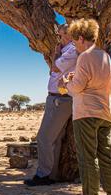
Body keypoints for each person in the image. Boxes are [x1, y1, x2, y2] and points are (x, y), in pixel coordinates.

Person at [62, 18, 111, 195]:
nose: (74, 45)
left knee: (87, 157)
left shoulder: (85, 57)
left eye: (74, 41)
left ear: (80, 37)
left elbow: (78, 87)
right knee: (106, 154)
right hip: (105, 112)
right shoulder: (104, 56)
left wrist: (66, 83)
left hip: (86, 112)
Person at [24, 24, 78, 186]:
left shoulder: (71, 50)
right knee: (55, 138)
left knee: (44, 137)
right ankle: (50, 174)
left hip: (60, 98)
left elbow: (54, 67)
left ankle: (43, 174)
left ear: (69, 35)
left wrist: (56, 53)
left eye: (60, 35)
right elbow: (53, 71)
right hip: (58, 98)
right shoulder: (67, 50)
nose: (59, 39)